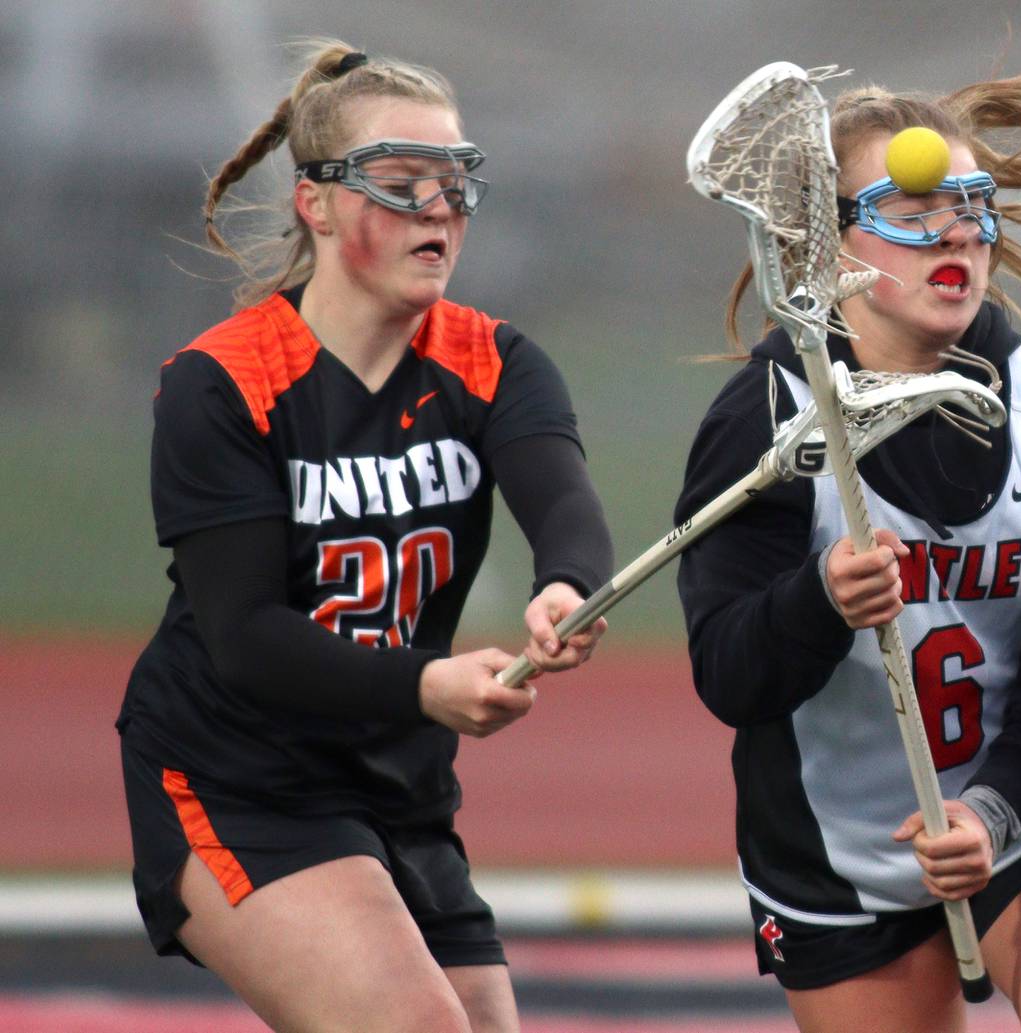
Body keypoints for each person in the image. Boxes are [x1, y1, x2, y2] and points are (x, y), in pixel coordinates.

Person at [116, 40, 613, 1033]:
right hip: (232, 776)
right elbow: (246, 635)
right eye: (401, 185)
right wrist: (426, 685)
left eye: (456, 181)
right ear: (319, 201)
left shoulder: (495, 361)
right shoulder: (224, 383)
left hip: (397, 781)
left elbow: (564, 504)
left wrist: (568, 586)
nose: (439, 209)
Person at [676, 55, 1021, 1032]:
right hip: (837, 861)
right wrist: (820, 600)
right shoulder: (766, 423)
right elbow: (731, 676)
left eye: (972, 205)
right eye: (912, 209)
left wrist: (992, 812)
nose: (956, 232)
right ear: (826, 245)